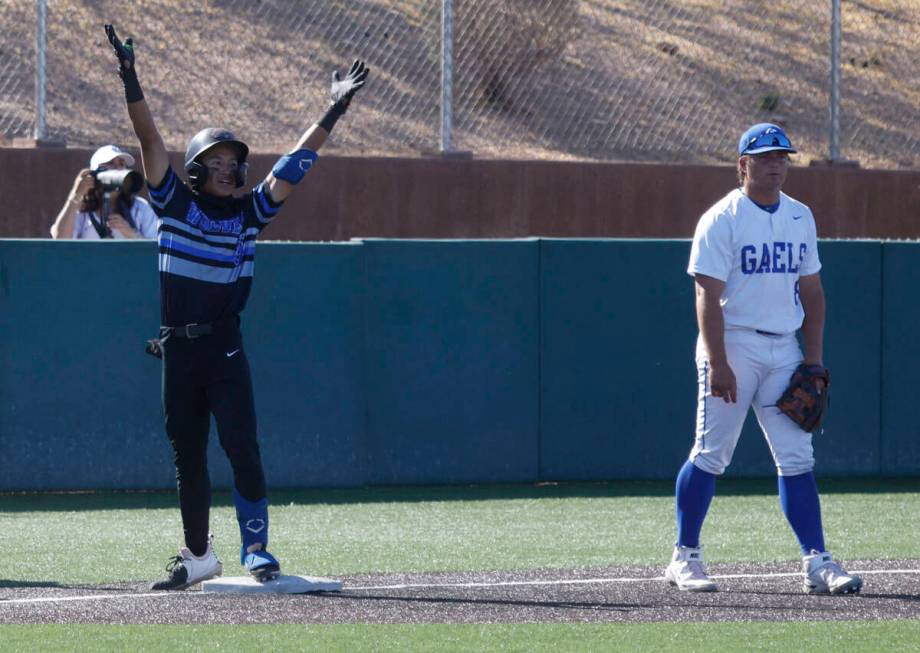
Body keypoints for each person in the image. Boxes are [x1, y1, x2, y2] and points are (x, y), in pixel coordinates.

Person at [104, 24, 368, 590]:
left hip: (223, 344)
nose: (229, 168)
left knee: (241, 444)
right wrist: (131, 77)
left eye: (234, 161)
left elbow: (295, 165)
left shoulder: (249, 214)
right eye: (218, 160)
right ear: (198, 168)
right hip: (178, 346)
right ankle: (198, 555)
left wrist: (333, 110)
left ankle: (256, 549)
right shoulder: (173, 202)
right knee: (187, 456)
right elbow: (149, 141)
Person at [664, 123, 863, 595]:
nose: (776, 164)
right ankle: (684, 556)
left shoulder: (800, 216)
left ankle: (817, 562)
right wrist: (718, 361)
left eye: (782, 157)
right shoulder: (722, 218)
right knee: (712, 453)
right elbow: (705, 295)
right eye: (765, 157)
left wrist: (811, 360)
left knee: (797, 457)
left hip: (783, 347)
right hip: (732, 342)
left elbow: (812, 292)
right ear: (743, 165)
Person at [50, 144, 157, 240]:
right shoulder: (81, 208)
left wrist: (133, 235)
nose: (118, 168)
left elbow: (157, 250)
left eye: (121, 164)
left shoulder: (140, 207)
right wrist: (76, 194)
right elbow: (60, 239)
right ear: (94, 172)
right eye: (110, 163)